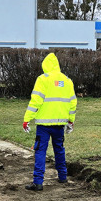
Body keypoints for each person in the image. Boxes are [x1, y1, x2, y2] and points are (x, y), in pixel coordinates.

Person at [22, 52, 77, 191]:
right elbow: (72, 103)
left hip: (44, 125)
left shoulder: (42, 79)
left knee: (40, 151)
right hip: (60, 124)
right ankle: (63, 177)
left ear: (45, 65)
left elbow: (36, 101)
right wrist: (71, 121)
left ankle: (38, 182)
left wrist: (27, 119)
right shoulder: (67, 80)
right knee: (59, 149)